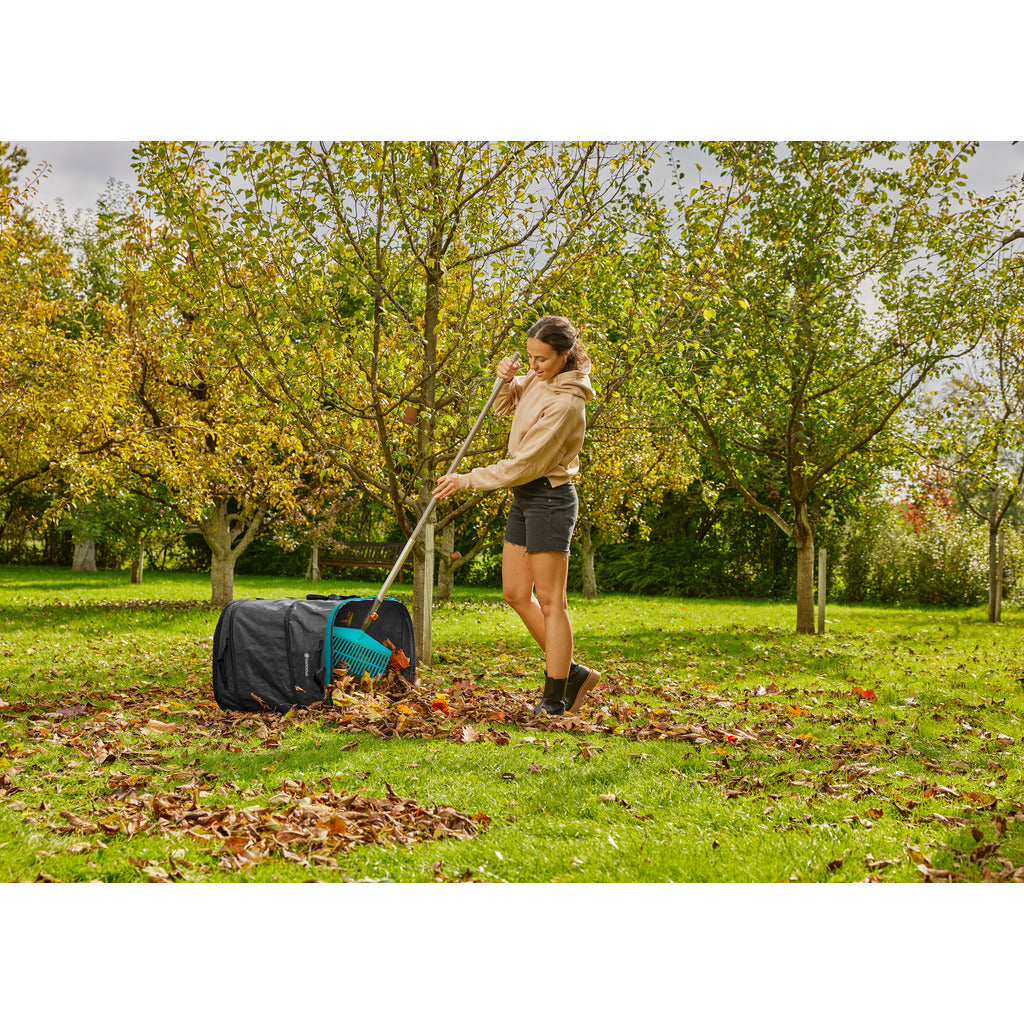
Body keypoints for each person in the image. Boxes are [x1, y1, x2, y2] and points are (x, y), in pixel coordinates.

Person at [433, 315, 601, 717]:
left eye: (542, 359)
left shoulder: (567, 402)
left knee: (549, 601)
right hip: (526, 497)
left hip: (549, 498)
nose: (534, 365)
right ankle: (574, 672)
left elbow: (527, 465)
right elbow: (504, 406)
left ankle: (554, 698)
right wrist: (506, 380)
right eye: (529, 357)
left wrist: (468, 480)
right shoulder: (538, 381)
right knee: (514, 594)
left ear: (565, 355)